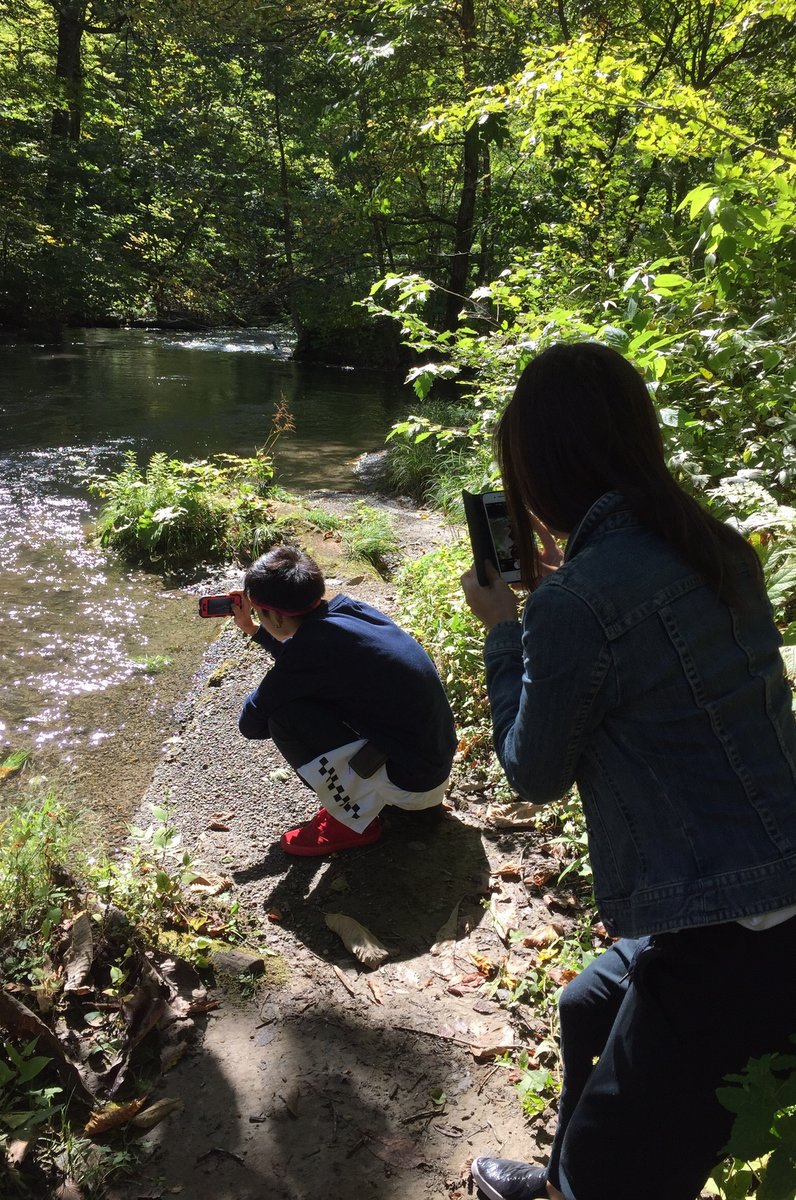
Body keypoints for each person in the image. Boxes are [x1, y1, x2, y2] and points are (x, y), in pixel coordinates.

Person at [460, 342, 796, 1200]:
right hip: (760, 880)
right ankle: (564, 1173)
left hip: (737, 929)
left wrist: (505, 627)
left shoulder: (581, 603)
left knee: (623, 1176)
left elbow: (530, 771)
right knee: (584, 1006)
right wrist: (564, 605)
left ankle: (587, 1180)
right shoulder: (712, 545)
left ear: (543, 469)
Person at [232, 544, 457, 855]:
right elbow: (310, 659)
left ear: (276, 616)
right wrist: (254, 629)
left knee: (284, 719)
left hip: (411, 787)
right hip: (431, 764)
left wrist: (272, 681)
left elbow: (251, 724)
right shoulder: (350, 610)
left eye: (258, 611)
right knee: (312, 698)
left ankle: (353, 818)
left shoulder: (310, 652)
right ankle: (367, 797)